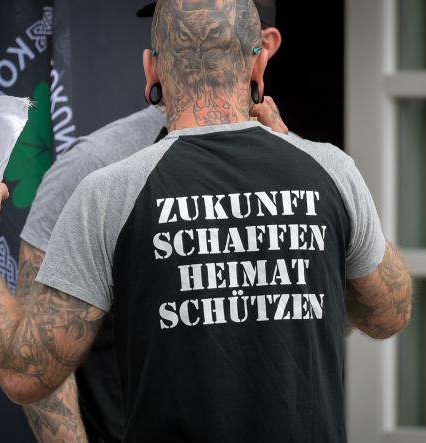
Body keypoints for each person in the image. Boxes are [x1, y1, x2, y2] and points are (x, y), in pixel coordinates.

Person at [0, 1, 412, 442]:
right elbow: (389, 312)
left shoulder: (110, 193)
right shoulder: (330, 170)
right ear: (257, 63)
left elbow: (28, 372)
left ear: (152, 69)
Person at [20, 2, 284, 441]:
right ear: (153, 60)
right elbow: (38, 358)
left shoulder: (307, 171)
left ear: (264, 49)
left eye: (214, 29)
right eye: (177, 30)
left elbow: (355, 316)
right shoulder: (93, 167)